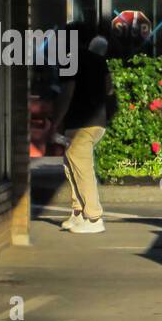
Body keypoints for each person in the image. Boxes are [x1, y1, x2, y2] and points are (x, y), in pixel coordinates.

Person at [51, 33, 114, 235]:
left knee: (80, 165)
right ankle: (78, 212)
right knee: (71, 164)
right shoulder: (99, 61)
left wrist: (55, 122)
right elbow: (109, 88)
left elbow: (67, 92)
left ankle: (94, 217)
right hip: (98, 122)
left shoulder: (71, 60)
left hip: (81, 123)